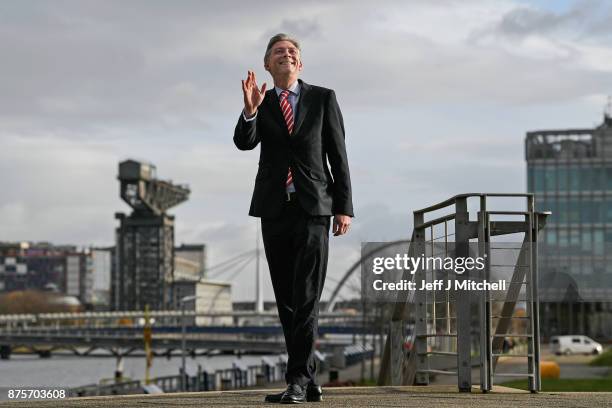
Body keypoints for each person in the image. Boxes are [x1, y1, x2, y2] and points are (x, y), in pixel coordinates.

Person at [234, 33, 354, 403]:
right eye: (277, 52)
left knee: (306, 296)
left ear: (299, 64)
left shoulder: (323, 98)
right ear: (268, 65)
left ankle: (297, 380)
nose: (286, 55)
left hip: (314, 208)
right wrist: (251, 111)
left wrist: (344, 206)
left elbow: (338, 153)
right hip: (274, 209)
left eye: (292, 52)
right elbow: (244, 142)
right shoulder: (263, 101)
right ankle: (308, 379)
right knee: (286, 299)